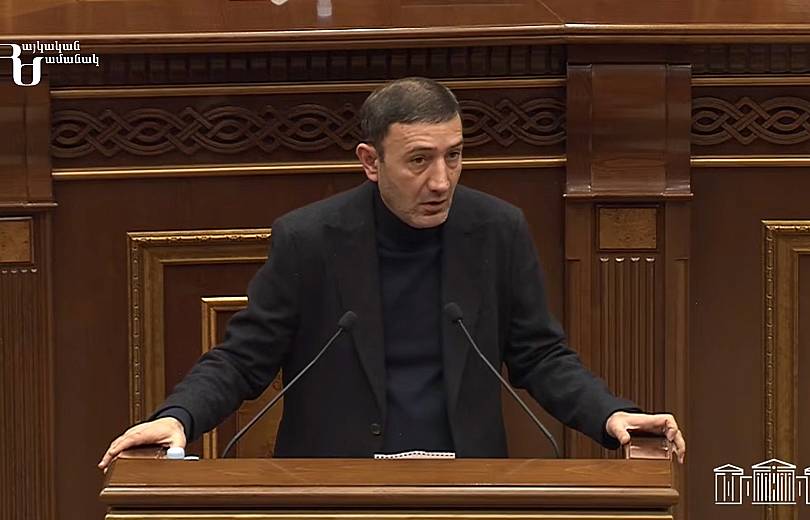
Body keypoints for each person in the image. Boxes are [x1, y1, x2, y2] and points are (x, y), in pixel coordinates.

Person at [99, 77, 686, 469]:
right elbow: (242, 358)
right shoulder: (310, 239)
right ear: (370, 162)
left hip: (466, 486)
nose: (441, 181)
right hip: (336, 487)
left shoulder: (497, 229)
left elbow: (540, 355)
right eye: (419, 160)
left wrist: (611, 414)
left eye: (454, 155)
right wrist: (178, 417)